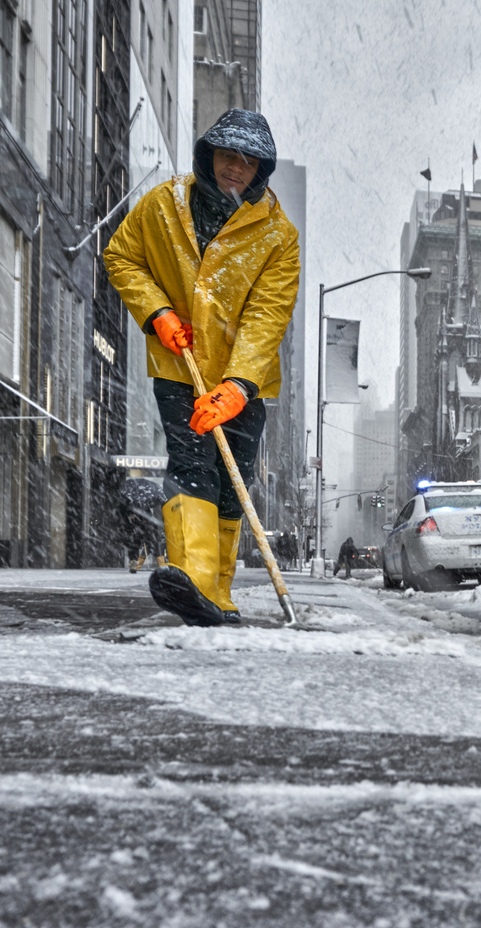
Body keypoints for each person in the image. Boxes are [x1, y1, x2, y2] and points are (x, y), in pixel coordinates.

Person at [103, 109, 300, 627]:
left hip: (242, 382)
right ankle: (192, 578)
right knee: (193, 467)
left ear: (261, 169)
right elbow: (121, 256)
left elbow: (267, 315)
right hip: (179, 367)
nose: (235, 167)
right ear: (208, 154)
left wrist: (237, 385)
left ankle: (220, 592)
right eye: (227, 154)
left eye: (247, 159)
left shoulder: (278, 236)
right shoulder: (163, 205)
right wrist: (157, 313)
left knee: (232, 481)